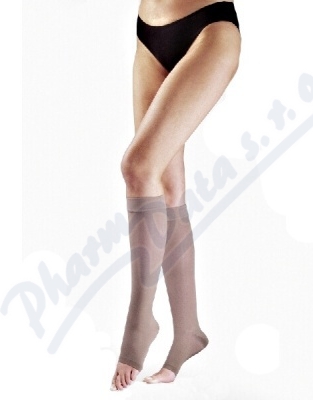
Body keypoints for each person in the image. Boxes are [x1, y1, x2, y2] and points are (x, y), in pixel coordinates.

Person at [110, 0, 241, 391]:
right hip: (149, 29)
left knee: (138, 167)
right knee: (167, 189)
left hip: (210, 29)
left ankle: (139, 323)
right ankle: (188, 332)